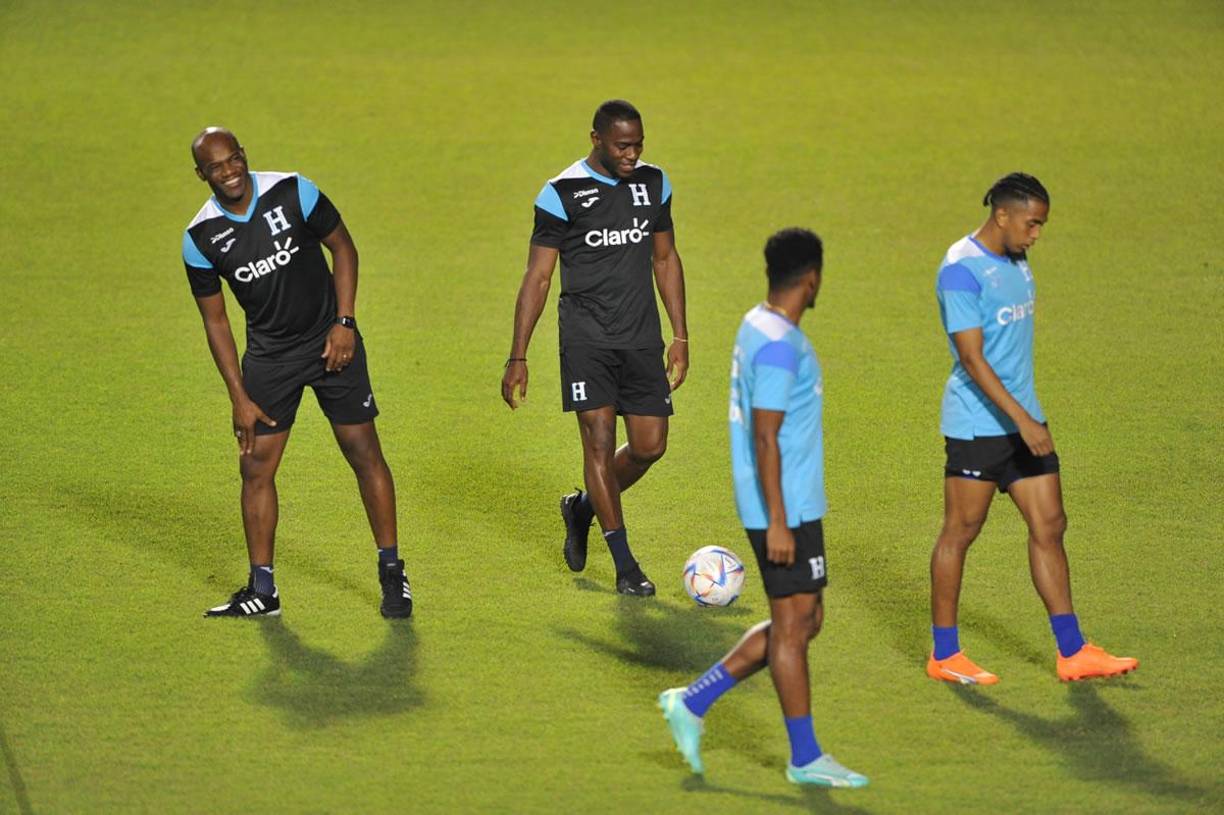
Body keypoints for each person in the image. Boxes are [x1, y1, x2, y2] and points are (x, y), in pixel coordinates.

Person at [658, 228, 868, 788]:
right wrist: (778, 520)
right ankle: (805, 756)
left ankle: (693, 701)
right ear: (812, 279)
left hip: (788, 501)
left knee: (803, 619)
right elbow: (766, 438)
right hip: (785, 508)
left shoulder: (758, 322)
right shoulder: (779, 346)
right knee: (795, 628)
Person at [181, 127, 412, 619]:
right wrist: (238, 396)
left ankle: (392, 572)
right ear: (202, 174)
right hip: (270, 360)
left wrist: (345, 322)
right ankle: (263, 590)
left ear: (244, 155)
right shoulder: (200, 239)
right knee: (256, 468)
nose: (230, 171)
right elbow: (215, 320)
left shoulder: (293, 191)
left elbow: (344, 249)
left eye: (234, 159)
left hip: (333, 344)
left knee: (363, 452)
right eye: (217, 167)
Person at [926, 173, 1136, 683]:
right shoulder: (960, 271)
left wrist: (1028, 418)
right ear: (1002, 214)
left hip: (1024, 421)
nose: (1037, 234)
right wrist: (1022, 420)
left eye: (1041, 224)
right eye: (1032, 222)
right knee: (960, 532)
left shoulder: (1017, 258)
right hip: (978, 426)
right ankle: (945, 655)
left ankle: (1072, 650)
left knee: (1050, 526)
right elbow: (973, 359)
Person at [501, 100, 689, 596]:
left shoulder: (653, 184)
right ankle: (626, 566)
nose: (632, 154)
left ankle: (582, 508)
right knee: (599, 443)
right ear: (596, 139)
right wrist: (518, 355)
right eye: (622, 145)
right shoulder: (561, 193)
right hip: (587, 340)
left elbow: (665, 259)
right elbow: (538, 277)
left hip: (641, 337)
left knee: (650, 445)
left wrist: (681, 335)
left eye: (639, 144)